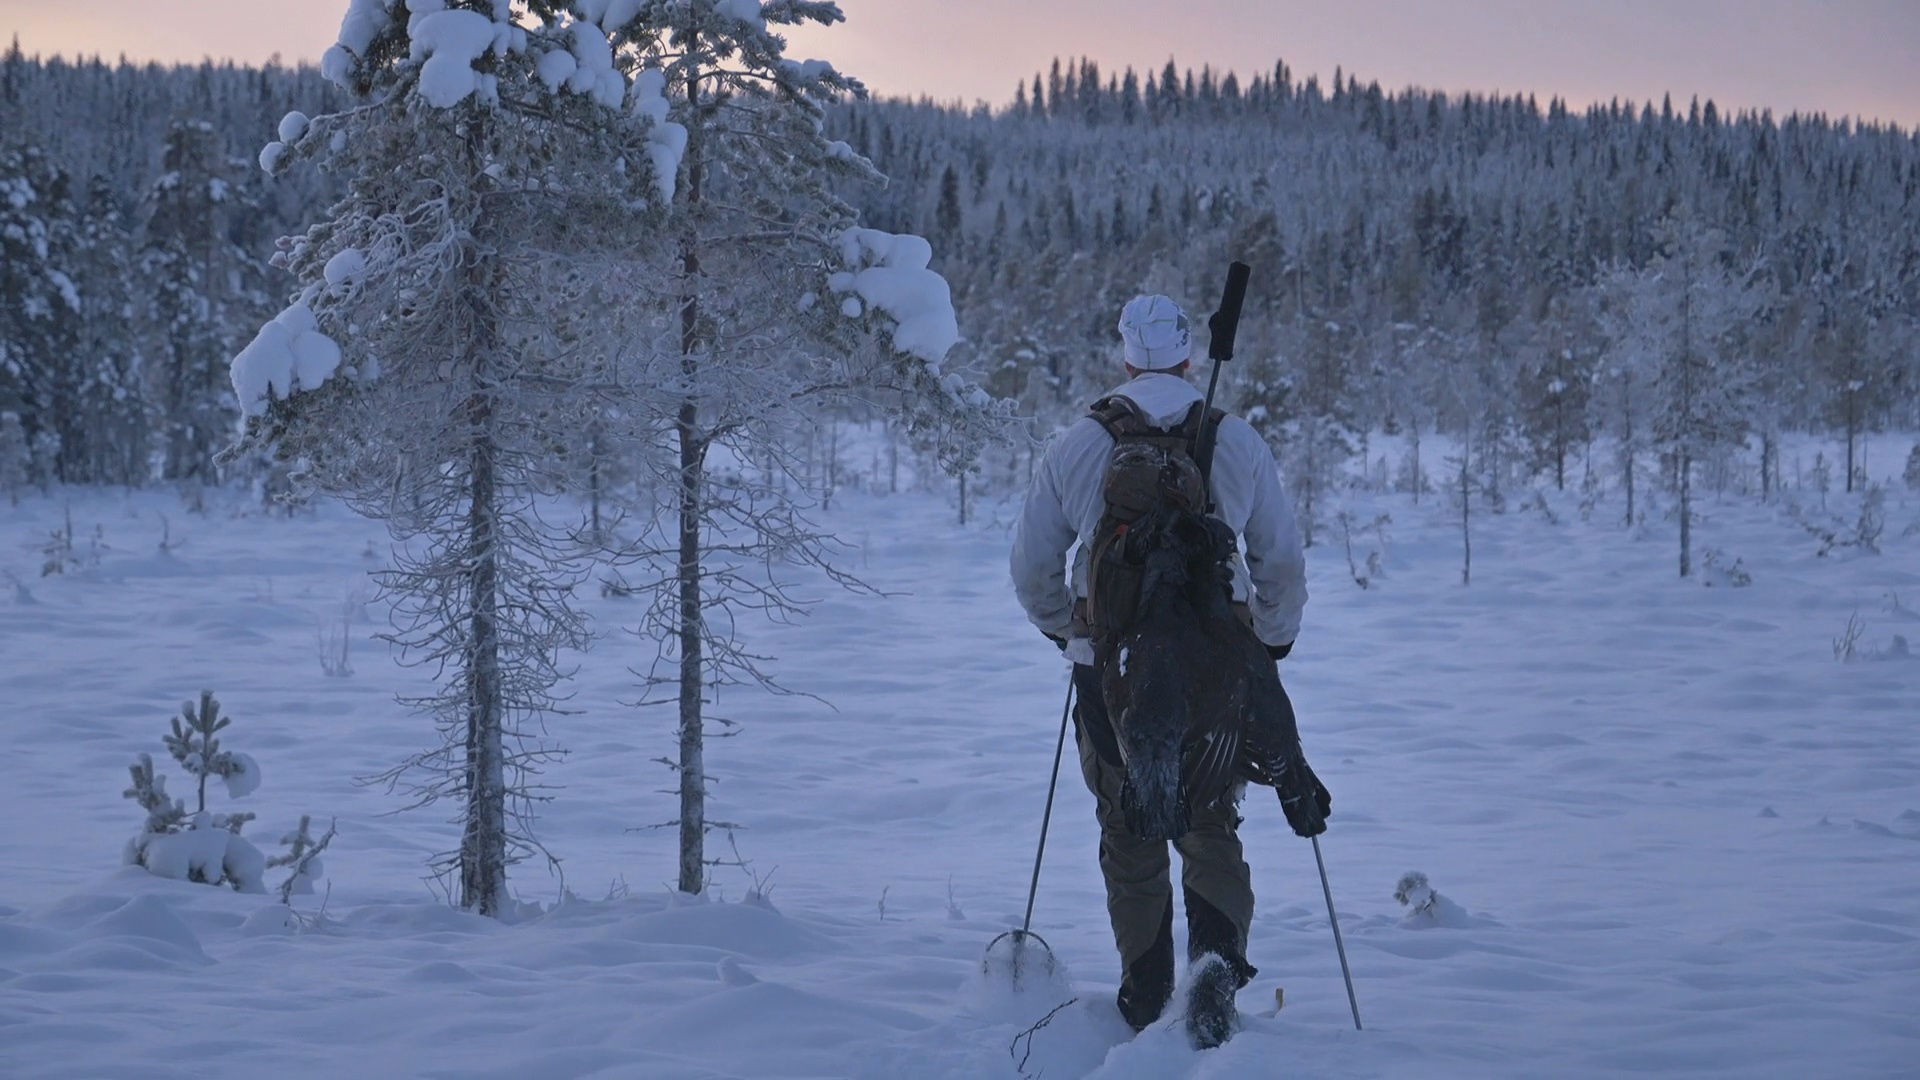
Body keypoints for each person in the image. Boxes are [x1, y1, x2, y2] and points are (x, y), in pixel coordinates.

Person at [1009, 293, 1309, 1034]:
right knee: (1210, 824)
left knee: (1131, 826)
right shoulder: (1233, 440)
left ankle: (1145, 996)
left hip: (1113, 671)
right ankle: (1215, 974)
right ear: (1188, 355)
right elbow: (1283, 563)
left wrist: (1068, 634)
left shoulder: (1077, 443)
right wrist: (1268, 644)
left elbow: (1031, 566)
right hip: (1215, 672)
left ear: (1123, 355)